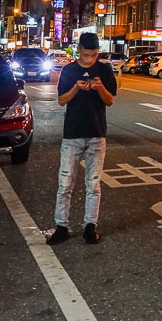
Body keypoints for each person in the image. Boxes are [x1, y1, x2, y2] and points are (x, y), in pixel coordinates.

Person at [47, 32, 116, 246]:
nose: (89, 59)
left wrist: (100, 87)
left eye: (94, 55)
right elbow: (61, 100)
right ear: (79, 51)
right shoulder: (69, 70)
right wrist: (76, 88)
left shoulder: (104, 69)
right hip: (73, 134)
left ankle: (90, 226)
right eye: (86, 55)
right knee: (65, 182)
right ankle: (61, 226)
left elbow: (110, 100)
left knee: (93, 184)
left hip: (97, 133)